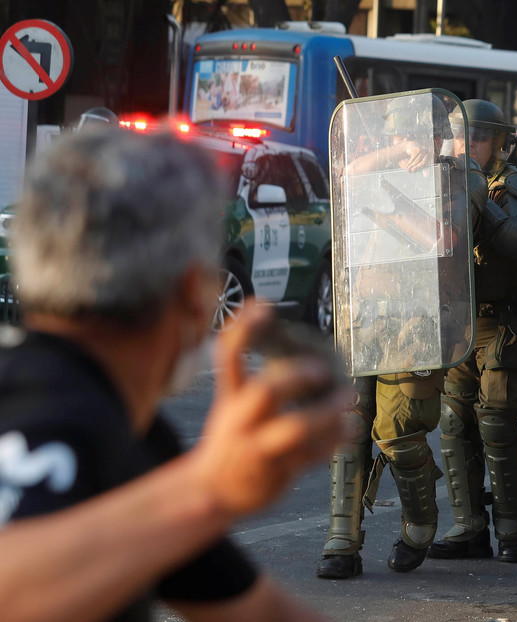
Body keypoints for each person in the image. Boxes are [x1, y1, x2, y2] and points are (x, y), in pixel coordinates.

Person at [0, 128, 347, 622]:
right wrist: (206, 489)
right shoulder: (50, 414)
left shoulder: (134, 440)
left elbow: (256, 611)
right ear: (193, 292)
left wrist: (194, 493)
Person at [317, 93, 479, 578]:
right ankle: (342, 540)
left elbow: (445, 238)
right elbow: (345, 175)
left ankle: (419, 524)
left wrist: (405, 192)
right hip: (365, 315)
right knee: (348, 423)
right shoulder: (381, 166)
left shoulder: (458, 177)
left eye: (412, 135)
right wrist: (390, 161)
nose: (404, 144)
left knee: (399, 431)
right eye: (397, 136)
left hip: (419, 319)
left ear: (435, 136)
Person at [426, 99, 517, 564]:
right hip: (461, 317)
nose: (467, 145)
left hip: (506, 319)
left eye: (477, 137)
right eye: (461, 135)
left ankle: (511, 529)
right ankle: (468, 526)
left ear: (498, 143)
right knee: (455, 422)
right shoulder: (443, 178)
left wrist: (478, 199)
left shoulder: (509, 183)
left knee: (495, 418)